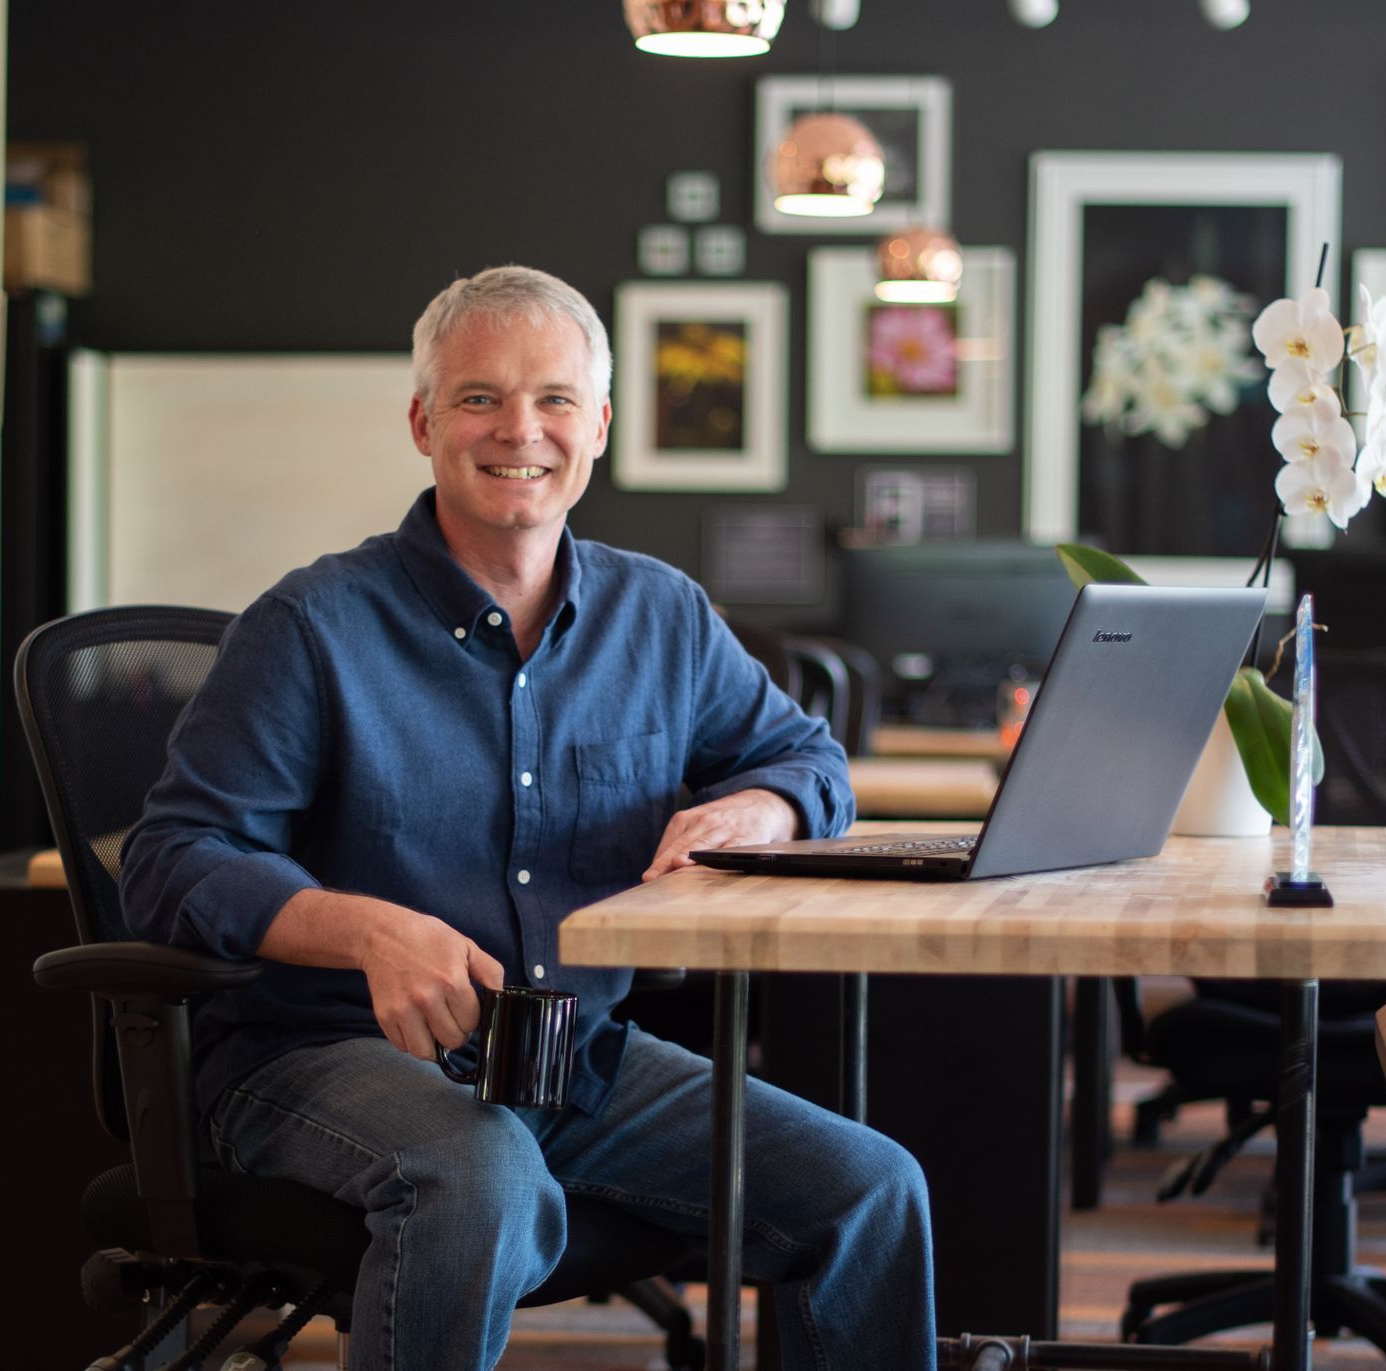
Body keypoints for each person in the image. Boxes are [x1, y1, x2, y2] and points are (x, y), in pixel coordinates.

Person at [119, 265, 934, 1371]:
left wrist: (758, 807)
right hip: (318, 1056)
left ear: (599, 425)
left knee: (871, 1190)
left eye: (554, 399)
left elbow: (809, 759)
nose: (521, 430)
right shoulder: (312, 626)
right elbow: (171, 861)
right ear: (421, 422)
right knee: (480, 1172)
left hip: (569, 1056)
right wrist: (366, 931)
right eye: (478, 398)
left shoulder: (662, 614)